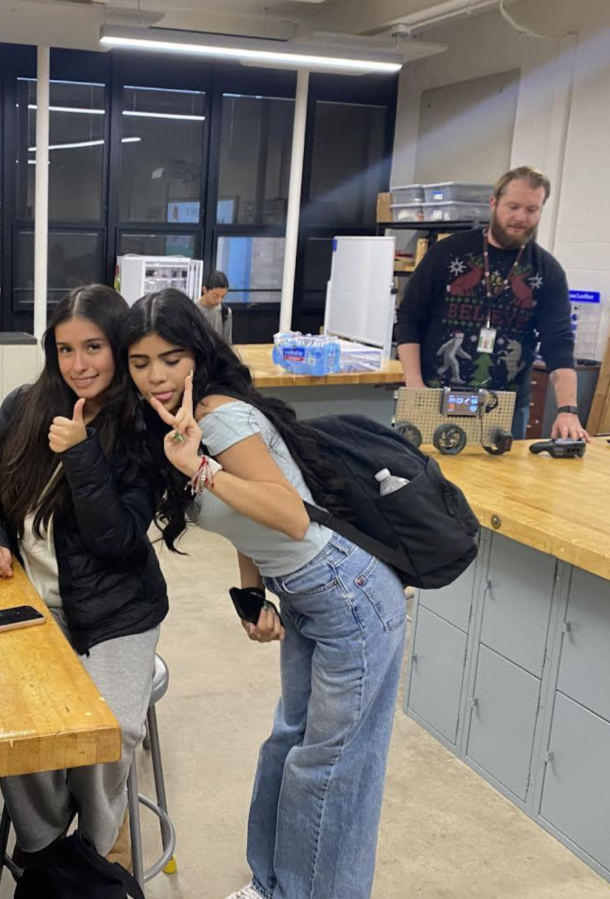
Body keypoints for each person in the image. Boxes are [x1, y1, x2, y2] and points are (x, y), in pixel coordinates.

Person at [122, 290, 406, 899]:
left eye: (169, 358)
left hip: (348, 593)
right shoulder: (185, 420)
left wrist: (200, 468)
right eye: (140, 362)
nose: (156, 375)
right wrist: (252, 595)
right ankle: (271, 884)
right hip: (307, 592)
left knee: (329, 764)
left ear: (197, 354)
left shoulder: (219, 420)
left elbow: (290, 516)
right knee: (290, 745)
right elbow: (243, 521)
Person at [0, 285, 167, 870]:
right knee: (24, 731)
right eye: (65, 348)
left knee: (110, 731)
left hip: (117, 611)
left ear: (118, 346)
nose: (79, 365)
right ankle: (45, 851)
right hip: (28, 603)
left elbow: (116, 538)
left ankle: (98, 850)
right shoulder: (24, 405)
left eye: (94, 347)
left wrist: (82, 453)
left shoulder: (142, 428)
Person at [396, 165, 588, 441]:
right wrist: (414, 384)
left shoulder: (547, 270)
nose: (521, 217)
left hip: (505, 407)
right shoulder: (447, 253)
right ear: (494, 203)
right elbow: (409, 318)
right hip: (434, 395)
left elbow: (558, 342)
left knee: (501, 483)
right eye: (513, 206)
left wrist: (568, 410)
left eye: (532, 210)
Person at [198, 270, 232, 343]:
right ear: (204, 290)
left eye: (223, 297)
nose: (219, 301)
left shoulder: (225, 312)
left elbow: (227, 344)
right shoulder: (191, 310)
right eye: (215, 296)